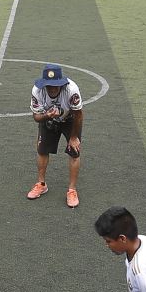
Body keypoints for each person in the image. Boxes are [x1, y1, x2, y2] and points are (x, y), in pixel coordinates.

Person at [27, 63, 84, 208]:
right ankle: (41, 184)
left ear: (61, 84)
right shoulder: (37, 91)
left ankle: (72, 190)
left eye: (55, 85)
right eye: (49, 86)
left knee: (74, 151)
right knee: (42, 150)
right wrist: (47, 115)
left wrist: (74, 137)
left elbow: (78, 114)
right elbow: (36, 117)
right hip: (48, 118)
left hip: (70, 119)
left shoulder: (72, 90)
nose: (52, 88)